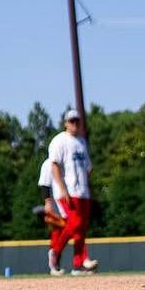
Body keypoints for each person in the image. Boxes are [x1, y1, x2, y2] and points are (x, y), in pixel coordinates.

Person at [46, 108, 98, 276]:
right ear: (65, 123)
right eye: (71, 121)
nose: (75, 124)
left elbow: (89, 167)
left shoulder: (82, 141)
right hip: (68, 191)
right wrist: (62, 188)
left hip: (83, 192)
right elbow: (53, 165)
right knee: (74, 223)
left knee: (81, 228)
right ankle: (55, 252)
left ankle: (78, 264)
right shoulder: (60, 140)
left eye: (77, 121)